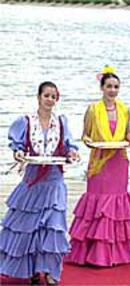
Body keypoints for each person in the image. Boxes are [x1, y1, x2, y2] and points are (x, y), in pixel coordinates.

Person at [0, 81, 79, 285]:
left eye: (53, 96)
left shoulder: (61, 122)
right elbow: (18, 147)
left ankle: (51, 272)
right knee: (29, 226)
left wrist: (71, 153)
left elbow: (69, 146)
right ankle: (33, 270)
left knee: (53, 226)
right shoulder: (26, 121)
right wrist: (18, 153)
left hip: (54, 181)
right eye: (46, 96)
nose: (50, 100)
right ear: (39, 97)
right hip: (32, 181)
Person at [65, 68, 130, 267]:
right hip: (99, 162)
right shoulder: (93, 109)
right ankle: (91, 252)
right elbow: (85, 135)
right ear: (102, 88)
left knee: (116, 204)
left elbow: (128, 134)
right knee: (98, 204)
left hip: (119, 160)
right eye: (109, 87)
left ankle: (116, 254)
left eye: (116, 87)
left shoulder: (124, 109)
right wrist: (91, 143)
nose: (112, 90)